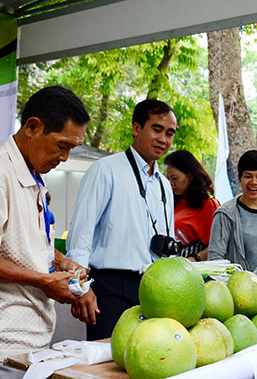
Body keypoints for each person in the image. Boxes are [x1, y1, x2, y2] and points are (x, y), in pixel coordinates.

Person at [0, 86, 90, 378]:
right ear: (32, 127)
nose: (64, 157)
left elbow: (26, 244)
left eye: (71, 149)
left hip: (29, 340)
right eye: (61, 145)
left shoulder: (33, 175)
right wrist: (44, 281)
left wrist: (64, 263)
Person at [66, 99, 176, 340]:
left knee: (147, 359)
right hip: (110, 287)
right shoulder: (105, 170)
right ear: (137, 128)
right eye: (156, 129)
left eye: (169, 133)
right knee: (106, 364)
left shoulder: (164, 185)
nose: (163, 139)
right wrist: (79, 289)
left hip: (153, 289)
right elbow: (79, 237)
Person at [164, 150, 220, 262]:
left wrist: (195, 259)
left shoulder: (209, 205)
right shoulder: (170, 202)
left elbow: (218, 246)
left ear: (190, 175)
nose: (171, 183)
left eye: (175, 178)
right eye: (168, 179)